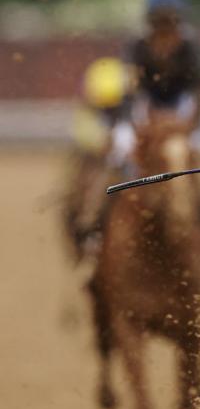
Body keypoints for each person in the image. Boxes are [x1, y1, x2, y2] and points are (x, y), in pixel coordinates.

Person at [64, 57, 134, 266]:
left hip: (131, 162)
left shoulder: (134, 109)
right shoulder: (87, 112)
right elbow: (86, 134)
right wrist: (104, 144)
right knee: (91, 188)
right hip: (104, 163)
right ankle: (89, 235)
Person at [127, 0, 200, 153]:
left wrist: (192, 124)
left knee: (192, 148)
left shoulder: (189, 46)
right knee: (127, 147)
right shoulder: (138, 45)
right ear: (150, 22)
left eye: (168, 22)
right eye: (158, 22)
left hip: (181, 100)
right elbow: (131, 87)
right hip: (148, 99)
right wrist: (140, 122)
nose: (163, 28)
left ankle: (193, 177)